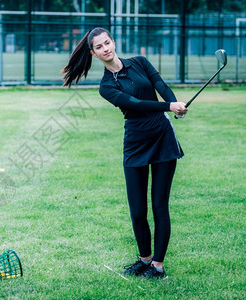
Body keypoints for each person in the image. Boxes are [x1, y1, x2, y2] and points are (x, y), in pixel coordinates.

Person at [62, 27, 188, 279]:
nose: (105, 48)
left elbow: (160, 84)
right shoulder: (106, 86)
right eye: (99, 47)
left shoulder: (140, 62)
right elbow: (136, 105)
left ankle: (158, 266)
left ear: (113, 42)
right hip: (135, 142)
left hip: (162, 136)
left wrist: (175, 105)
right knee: (137, 210)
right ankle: (144, 260)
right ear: (94, 54)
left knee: (159, 206)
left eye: (107, 43)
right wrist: (167, 105)